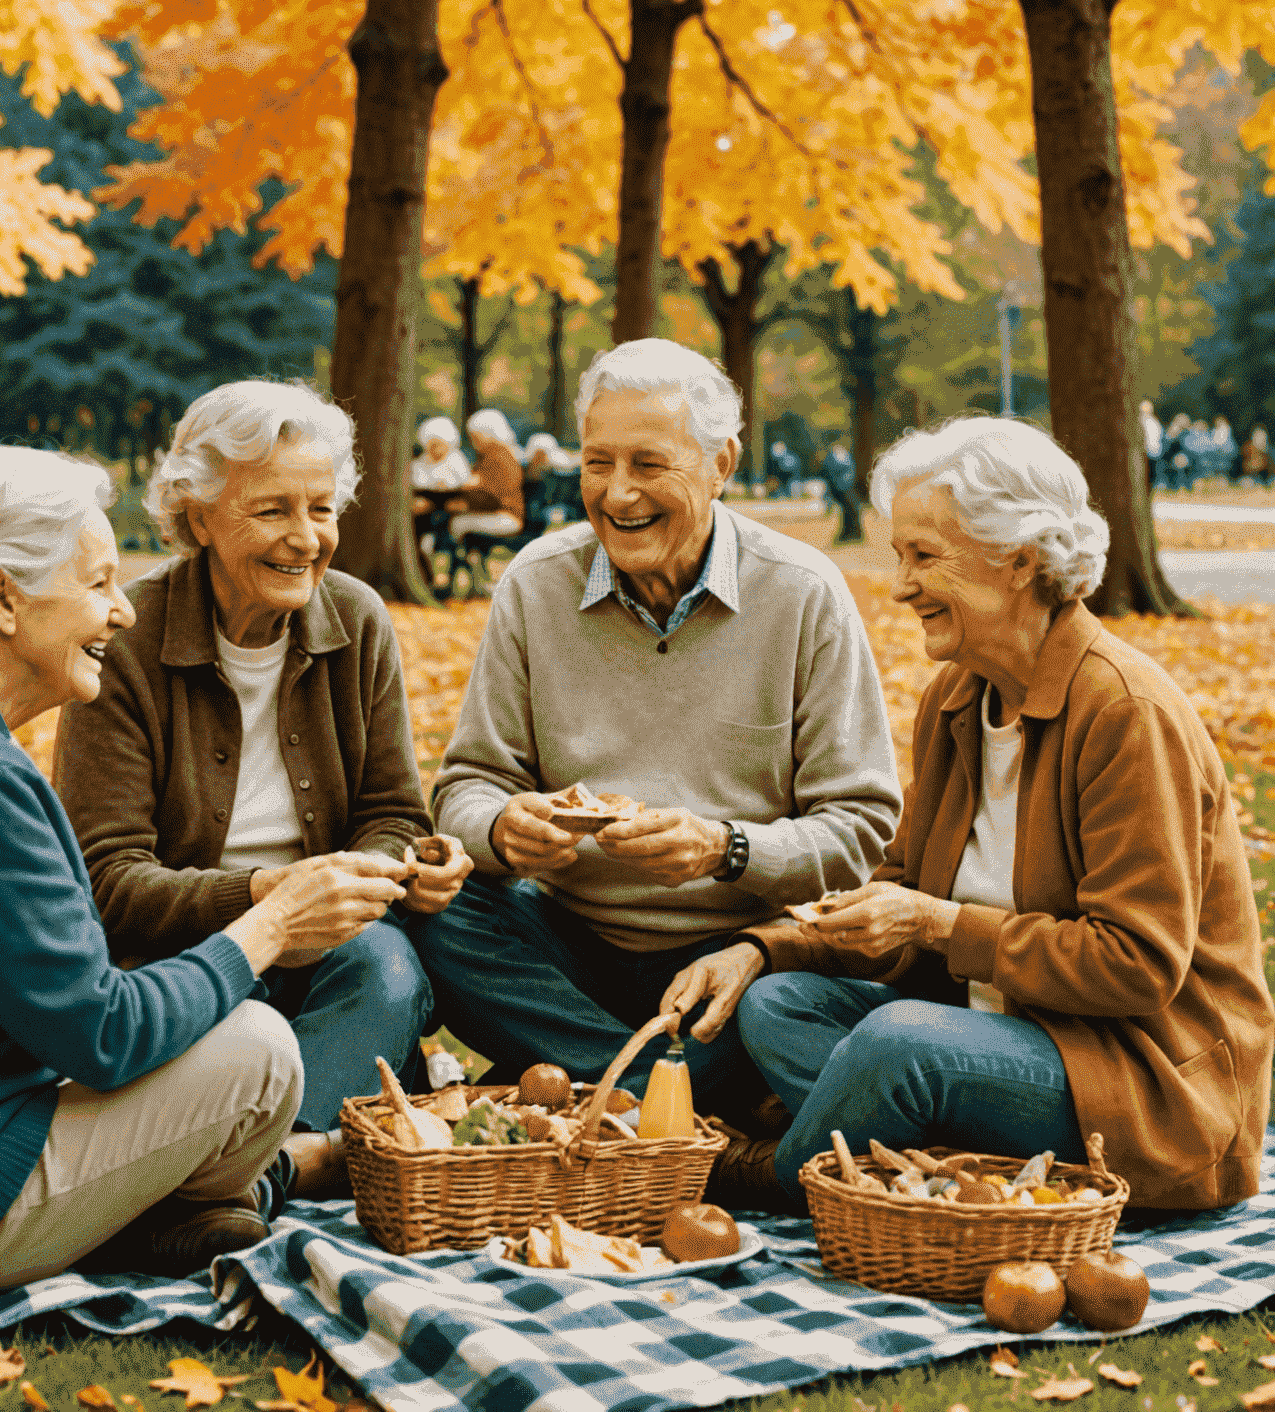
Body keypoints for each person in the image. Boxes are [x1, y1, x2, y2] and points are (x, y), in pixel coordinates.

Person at [0, 446, 406, 1291]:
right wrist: (268, 925)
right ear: (1, 598)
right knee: (260, 1050)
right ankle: (245, 1189)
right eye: (97, 585)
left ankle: (175, 1217)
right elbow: (105, 1035)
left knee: (213, 1028)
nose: (123, 612)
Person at [705, 416, 1273, 1214]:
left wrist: (939, 924)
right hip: (985, 1032)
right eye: (899, 556)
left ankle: (775, 1177)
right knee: (780, 1005)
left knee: (898, 1047)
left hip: (1136, 1078)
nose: (900, 586)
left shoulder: (1124, 712)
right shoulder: (957, 697)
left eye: (923, 557)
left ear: (1021, 560)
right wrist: (766, 947)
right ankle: (932, 1173)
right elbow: (903, 883)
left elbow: (1136, 967)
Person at [412, 339, 903, 1190]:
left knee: (774, 1011)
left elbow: (859, 830)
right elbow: (464, 788)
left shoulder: (802, 592)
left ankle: (599, 1111)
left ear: (722, 464)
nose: (617, 493)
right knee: (427, 911)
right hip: (569, 953)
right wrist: (503, 827)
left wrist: (726, 849)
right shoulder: (537, 582)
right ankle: (671, 1120)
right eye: (597, 463)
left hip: (732, 966)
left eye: (649, 463)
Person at [55, 381, 471, 1198]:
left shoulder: (357, 619)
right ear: (199, 515)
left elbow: (392, 810)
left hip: (333, 947)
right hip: (185, 957)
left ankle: (262, 1172)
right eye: (273, 510)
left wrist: (399, 866)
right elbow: (104, 878)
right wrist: (263, 899)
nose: (306, 539)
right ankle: (288, 1161)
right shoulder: (128, 638)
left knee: (386, 970)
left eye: (322, 508)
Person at [440, 408, 526, 597]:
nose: (473, 441)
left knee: (457, 523)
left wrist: (467, 501)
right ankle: (474, 576)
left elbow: (492, 495)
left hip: (506, 516)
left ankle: (455, 574)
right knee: (459, 523)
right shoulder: (500, 455)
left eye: (476, 437)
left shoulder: (498, 457)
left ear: (487, 434)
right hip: (502, 514)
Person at [410, 416, 471, 577]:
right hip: (423, 516)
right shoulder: (420, 464)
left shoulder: (457, 462)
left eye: (439, 444)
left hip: (447, 515)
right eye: (432, 444)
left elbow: (464, 491)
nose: (435, 449)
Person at [820, 437, 863, 544]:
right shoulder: (832, 458)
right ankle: (850, 535)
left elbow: (850, 470)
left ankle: (852, 534)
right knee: (850, 510)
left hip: (847, 487)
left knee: (852, 510)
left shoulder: (844, 456)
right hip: (840, 488)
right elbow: (830, 473)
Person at [1140, 399, 1163, 491]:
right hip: (1152, 452)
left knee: (1149, 475)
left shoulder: (1148, 422)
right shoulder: (1154, 421)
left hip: (1149, 452)